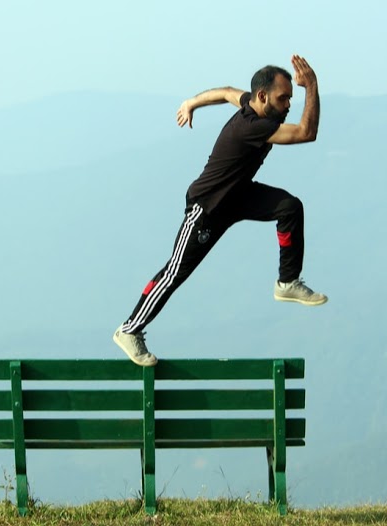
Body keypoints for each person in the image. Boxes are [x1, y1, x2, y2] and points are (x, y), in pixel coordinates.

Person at [113, 54, 327, 366]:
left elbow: (226, 91)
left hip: (239, 195)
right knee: (175, 272)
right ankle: (129, 329)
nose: (288, 105)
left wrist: (191, 102)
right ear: (263, 97)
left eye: (291, 99)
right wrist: (313, 87)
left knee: (289, 207)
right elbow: (307, 132)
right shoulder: (253, 126)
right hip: (208, 206)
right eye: (284, 99)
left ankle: (287, 282)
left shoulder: (249, 103)